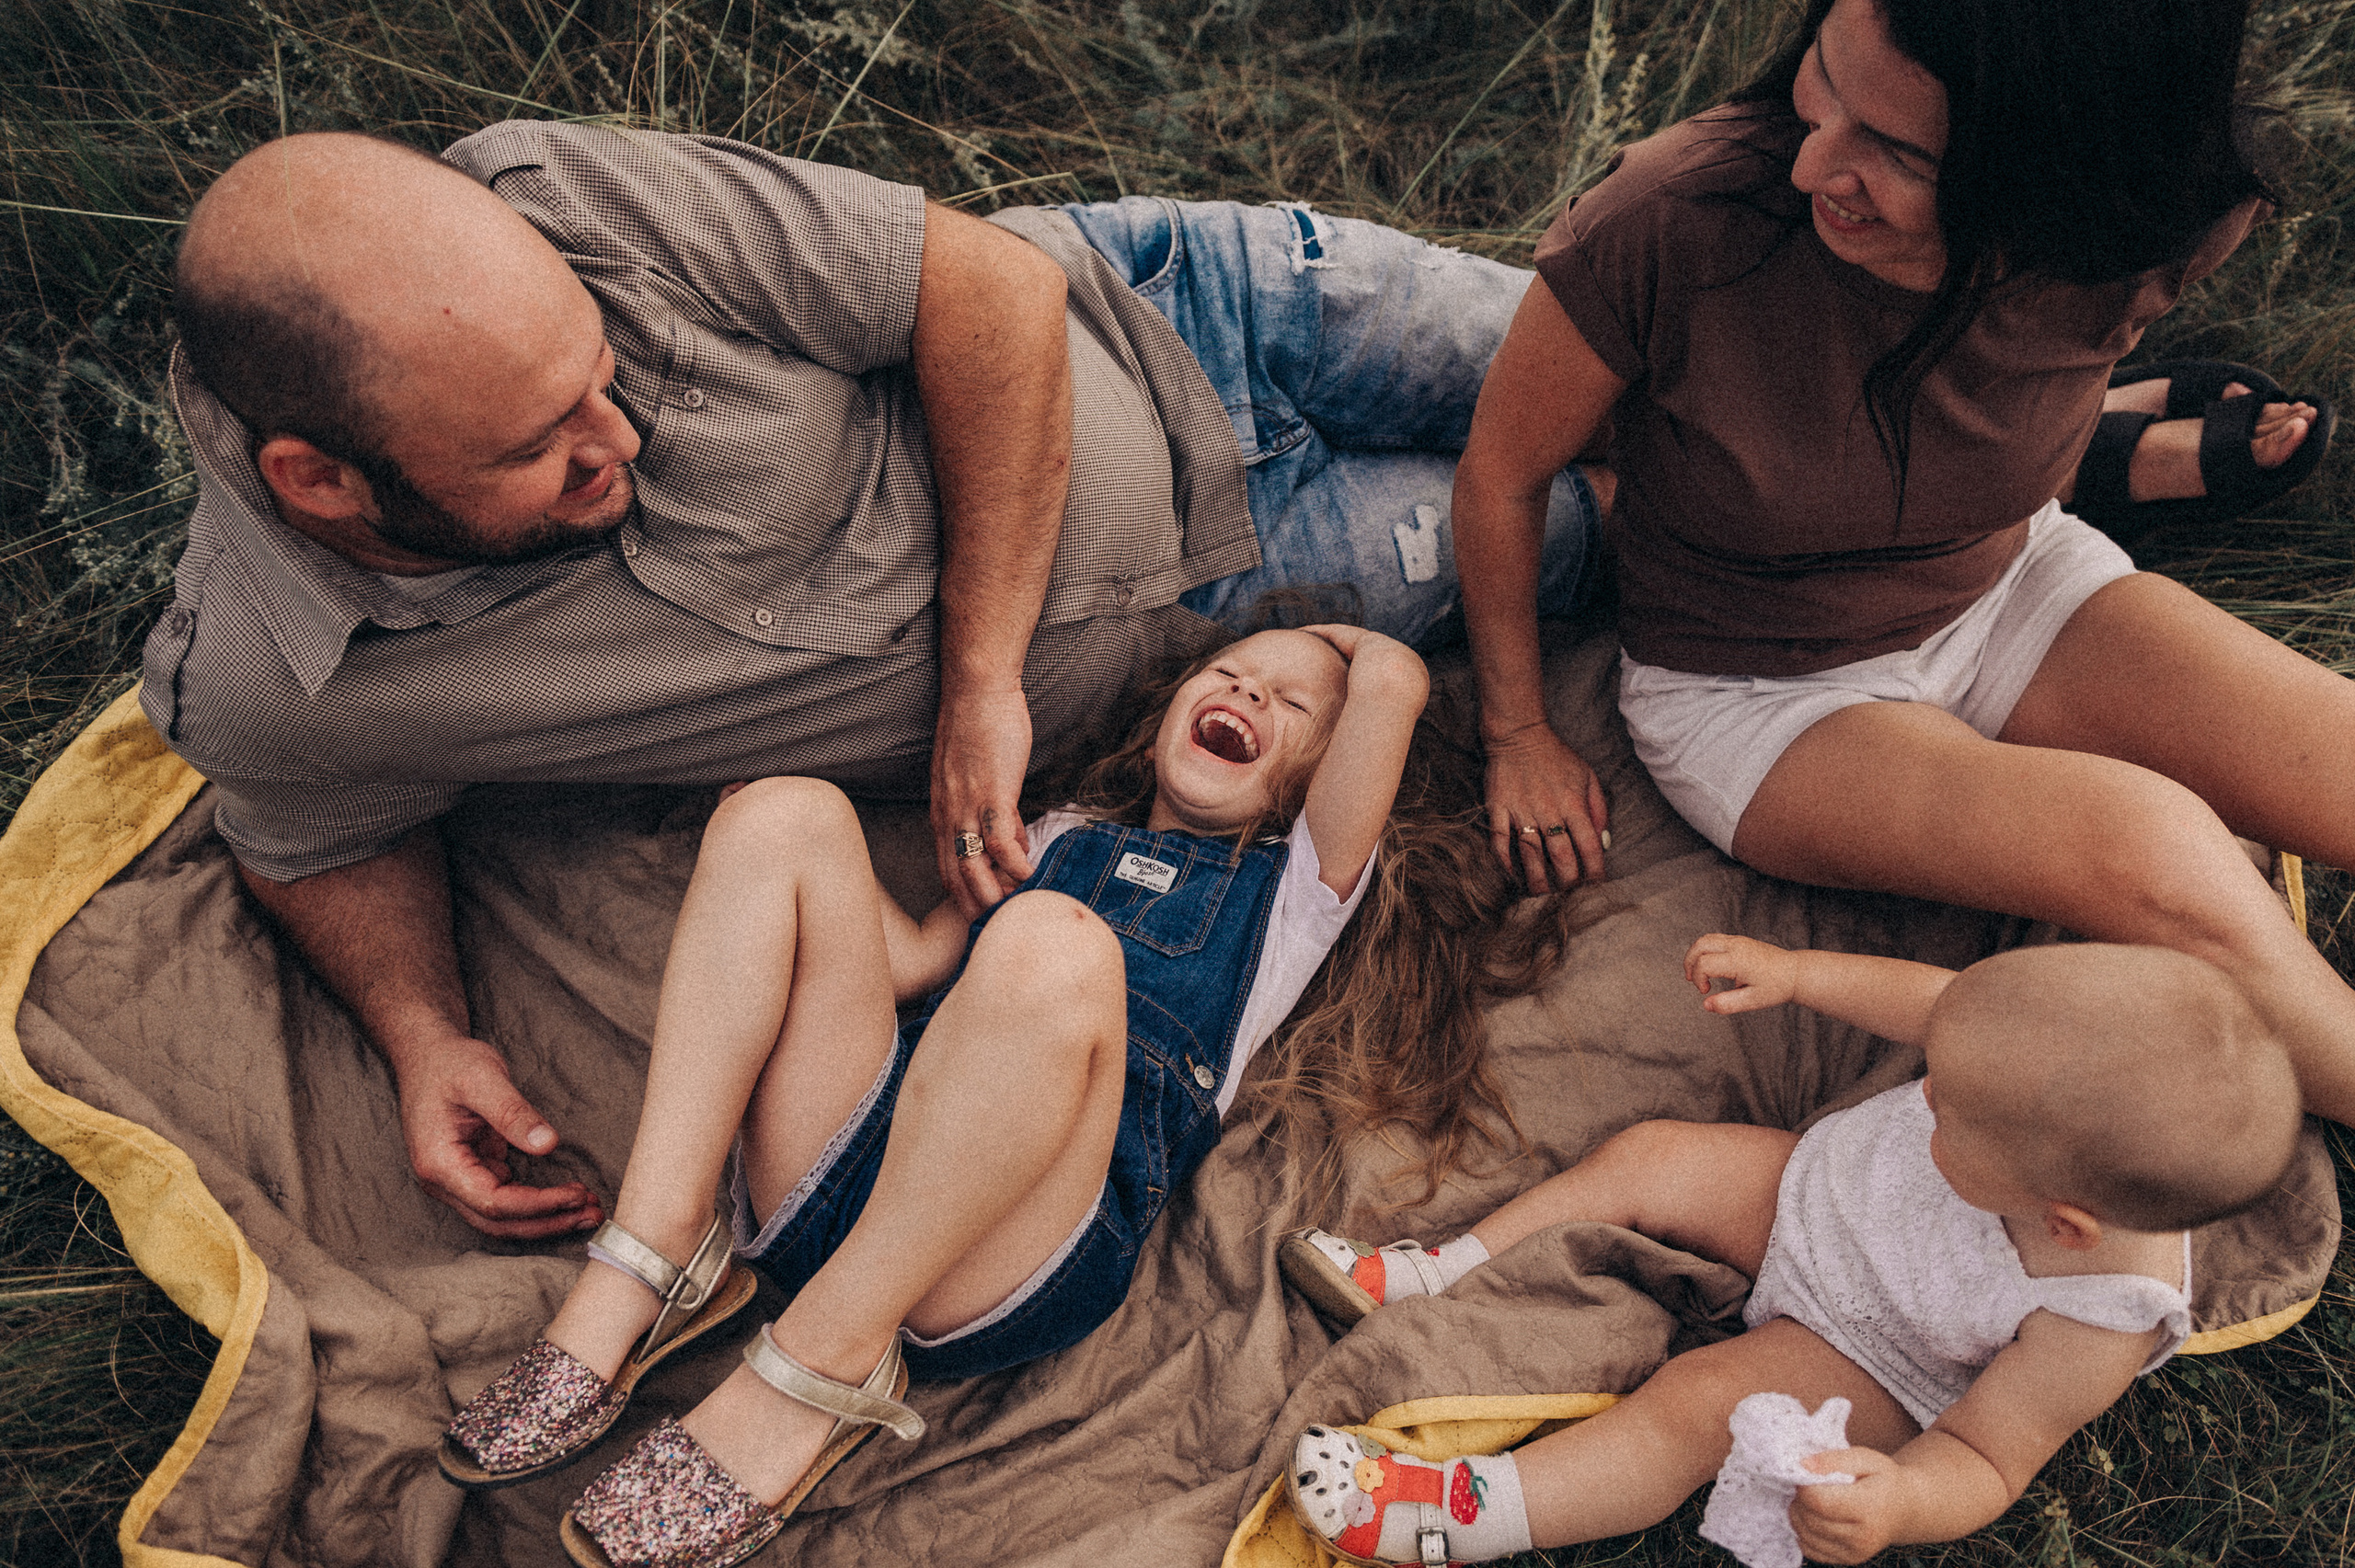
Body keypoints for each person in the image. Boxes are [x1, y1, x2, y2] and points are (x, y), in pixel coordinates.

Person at [153, 125, 1606, 1240]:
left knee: (1648, 364)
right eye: (542, 445)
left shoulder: (569, 202)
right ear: (322, 483)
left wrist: (981, 677)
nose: (620, 438)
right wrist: (424, 1039)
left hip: (1183, 316)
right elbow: (313, 827)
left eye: (606, 376)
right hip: (1244, 610)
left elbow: (988, 284)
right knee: (1642, 530)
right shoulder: (269, 681)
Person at [431, 621, 1568, 1567]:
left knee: (1054, 943)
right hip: (845, 1170)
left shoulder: (1295, 895)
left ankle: (821, 1365)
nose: (1243, 690)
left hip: (1003, 1252)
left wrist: (1347, 642)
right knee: (787, 810)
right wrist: (773, 867)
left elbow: (1397, 682)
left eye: (1290, 703)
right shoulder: (1063, 833)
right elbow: (919, 964)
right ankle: (659, 1251)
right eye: (1225, 671)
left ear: (1319, 780)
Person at [1448, 0, 2355, 1132]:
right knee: (2158, 849)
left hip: (2006, 580)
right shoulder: (1673, 218)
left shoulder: (2150, 230)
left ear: (2048, 177)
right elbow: (1500, 474)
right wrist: (1517, 732)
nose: (1818, 159)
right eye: (1823, 82)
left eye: (1898, 152)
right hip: (1760, 689)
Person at [1275, 933, 2301, 1565]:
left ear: (2062, 1218)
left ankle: (1460, 1516)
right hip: (1814, 1194)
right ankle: (1435, 1271)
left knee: (1690, 1407)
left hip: (1868, 1349)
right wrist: (1799, 974)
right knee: (1651, 1156)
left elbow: (1989, 1456)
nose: (1926, 1088)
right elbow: (1936, 1006)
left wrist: (1900, 1500)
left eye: (1947, 1108)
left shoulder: (2098, 1311)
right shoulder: (2022, 1045)